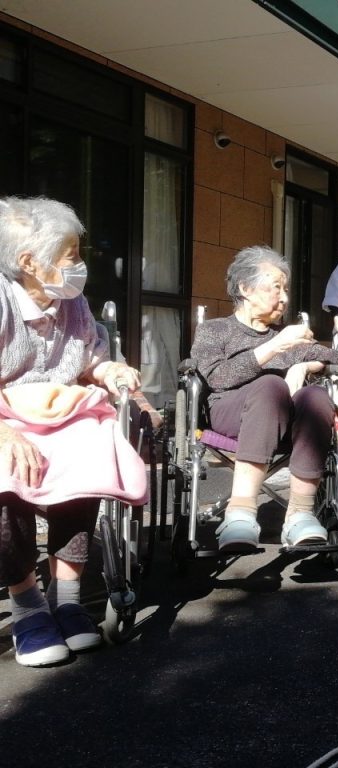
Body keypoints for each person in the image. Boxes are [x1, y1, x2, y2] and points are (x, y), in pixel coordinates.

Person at [0, 196, 146, 667]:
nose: (80, 265)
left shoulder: (73, 302)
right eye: (72, 255)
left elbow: (88, 359)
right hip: (5, 418)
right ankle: (27, 606)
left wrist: (110, 373)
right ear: (28, 263)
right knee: (8, 474)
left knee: (91, 452)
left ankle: (66, 597)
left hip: (59, 415)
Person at [190, 245, 338, 552]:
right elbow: (217, 378)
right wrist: (273, 348)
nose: (285, 298)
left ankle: (300, 514)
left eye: (286, 289)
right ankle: (241, 513)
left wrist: (308, 363)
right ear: (245, 289)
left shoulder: (288, 337)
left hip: (285, 423)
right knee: (270, 386)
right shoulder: (214, 331)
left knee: (315, 396)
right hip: (228, 415)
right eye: (276, 288)